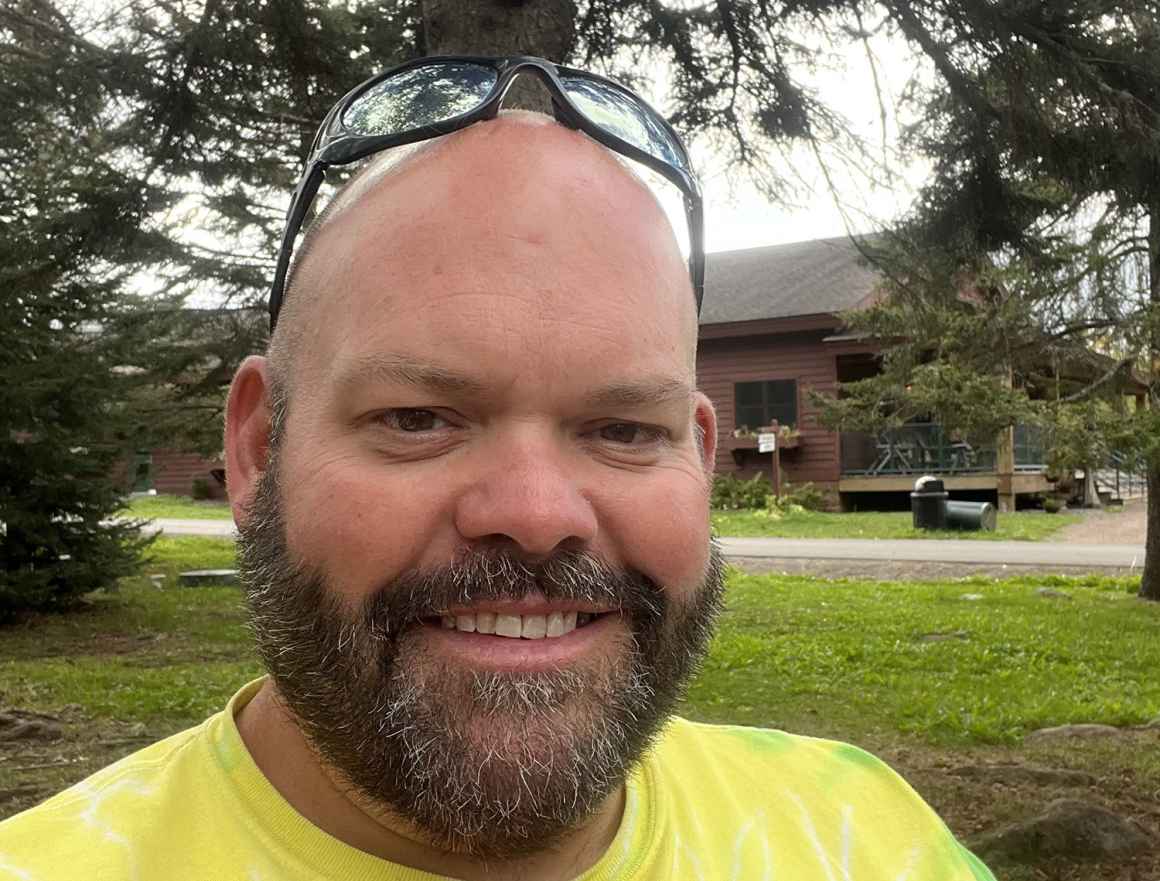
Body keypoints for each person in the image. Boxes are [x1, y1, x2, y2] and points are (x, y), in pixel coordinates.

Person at [0, 58, 995, 880]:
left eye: (620, 428)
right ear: (260, 450)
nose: (533, 513)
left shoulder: (866, 837)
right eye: (418, 417)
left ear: (697, 454)